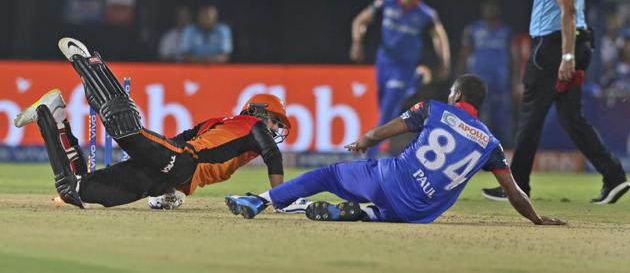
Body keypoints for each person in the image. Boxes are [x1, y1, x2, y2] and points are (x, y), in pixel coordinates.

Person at [224, 74, 565, 225]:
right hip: (419, 213)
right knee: (412, 208)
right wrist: (537, 218)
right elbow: (515, 193)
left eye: (452, 93)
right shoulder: (491, 143)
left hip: (389, 180)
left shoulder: (434, 108)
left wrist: (363, 142)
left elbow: (382, 132)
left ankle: (261, 201)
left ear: (457, 96)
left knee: (326, 174)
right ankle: (363, 214)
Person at [13, 38, 289, 209]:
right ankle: (89, 63)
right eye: (276, 121)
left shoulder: (220, 123)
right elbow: (273, 156)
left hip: (169, 173)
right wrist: (277, 197)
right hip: (180, 163)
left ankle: (52, 115)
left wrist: (169, 182)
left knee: (75, 190)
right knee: (126, 127)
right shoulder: (252, 124)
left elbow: (181, 138)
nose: (276, 129)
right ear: (260, 112)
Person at [482, 0, 629, 204]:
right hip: (571, 42)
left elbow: (569, 12)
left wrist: (567, 55)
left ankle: (517, 185)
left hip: (555, 47)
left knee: (530, 115)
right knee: (571, 118)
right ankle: (614, 176)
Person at [350, 0, 451, 159]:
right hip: (383, 64)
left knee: (387, 112)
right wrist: (357, 42)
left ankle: (367, 159)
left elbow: (439, 37)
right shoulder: (386, 3)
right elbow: (360, 21)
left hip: (403, 68)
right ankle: (417, 80)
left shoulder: (426, 14)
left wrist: (445, 60)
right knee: (383, 107)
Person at [456, 0, 517, 145]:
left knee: (502, 117)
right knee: (478, 115)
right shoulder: (473, 29)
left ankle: (504, 149)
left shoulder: (506, 32)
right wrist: (459, 79)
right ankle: (475, 146)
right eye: (488, 9)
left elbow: (513, 57)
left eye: (493, 9)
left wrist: (516, 81)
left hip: (500, 81)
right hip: (477, 81)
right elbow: (464, 54)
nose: (490, 12)